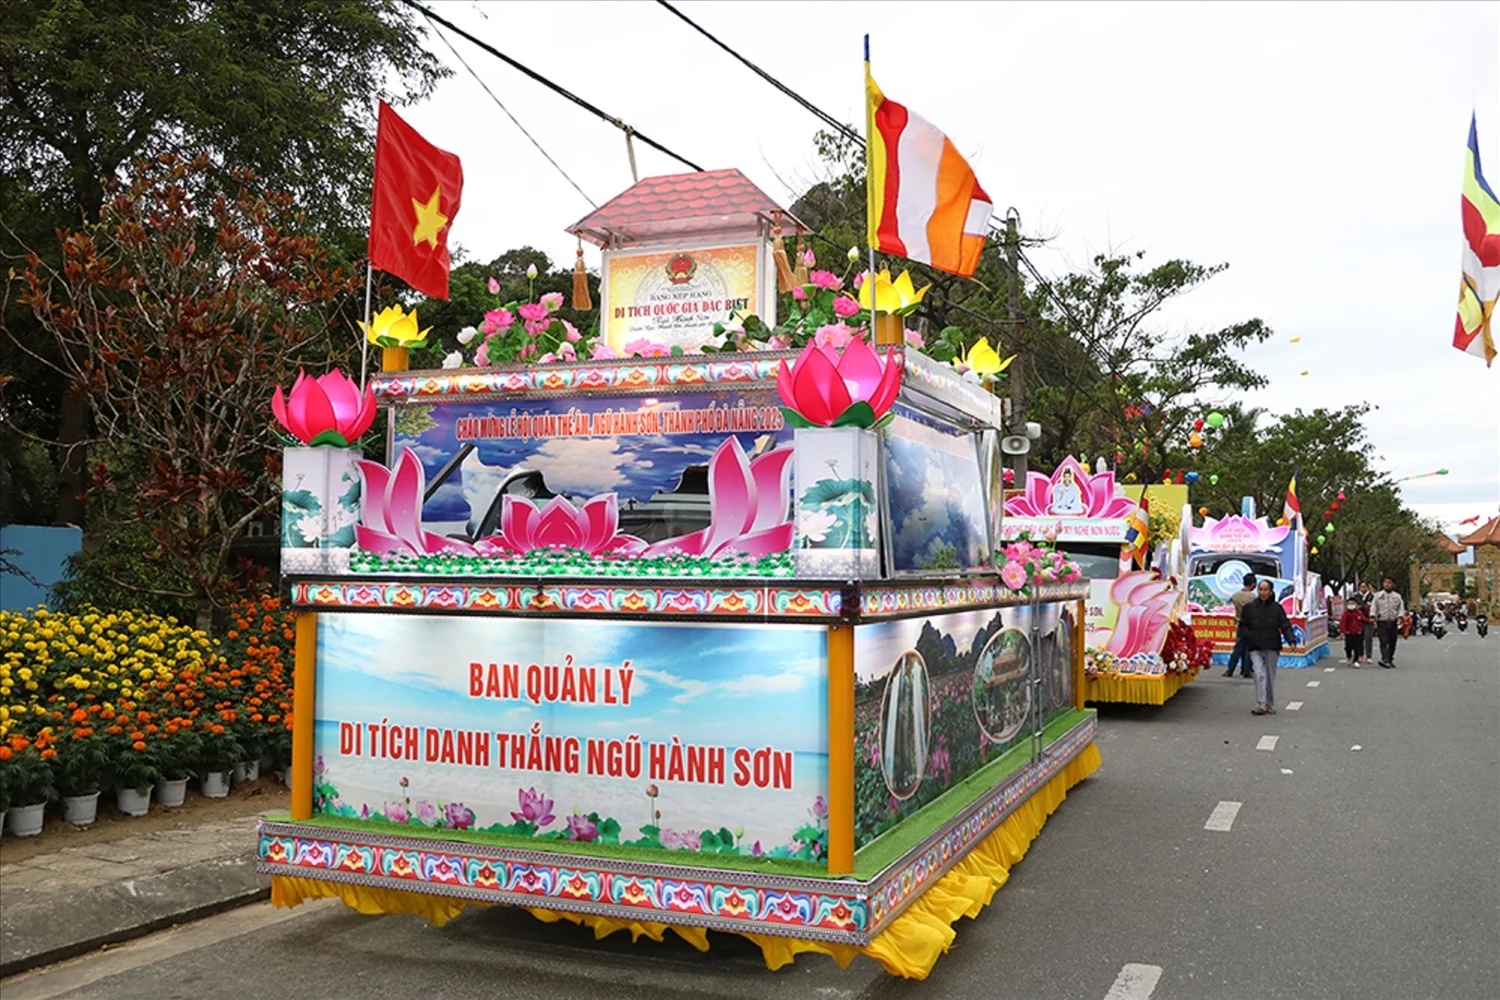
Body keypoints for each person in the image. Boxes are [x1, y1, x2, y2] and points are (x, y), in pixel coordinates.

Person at [1242, 579, 1297, 715]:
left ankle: (1269, 702)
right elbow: (1243, 626)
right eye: (1260, 589)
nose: (1262, 592)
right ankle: (1261, 703)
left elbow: (1285, 625)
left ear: (1271, 591)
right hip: (1255, 646)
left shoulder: (1277, 608)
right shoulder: (1249, 608)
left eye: (1265, 589)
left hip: (1272, 646)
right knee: (1259, 674)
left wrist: (1291, 640)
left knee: (1269, 676)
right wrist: (1248, 636)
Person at [1223, 573, 1257, 678]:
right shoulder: (1254, 597)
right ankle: (1246, 671)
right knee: (1248, 649)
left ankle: (1230, 670)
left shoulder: (1235, 596)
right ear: (1252, 584)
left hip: (1240, 623)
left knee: (1237, 648)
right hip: (1251, 625)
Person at [1369, 577, 1406, 668]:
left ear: (1393, 584)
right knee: (1383, 642)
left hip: (1393, 622)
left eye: (1389, 583)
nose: (1387, 584)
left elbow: (1401, 608)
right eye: (1385, 582)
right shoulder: (1378, 595)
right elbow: (1374, 607)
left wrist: (1400, 617)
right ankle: (1384, 659)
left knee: (1392, 642)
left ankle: (1390, 658)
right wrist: (1373, 616)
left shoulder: (1397, 596)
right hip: (1382, 622)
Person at [1339, 599, 1368, 666]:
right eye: (1349, 603)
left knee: (1357, 647)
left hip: (1358, 633)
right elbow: (1343, 623)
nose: (1351, 605)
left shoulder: (1359, 612)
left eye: (1353, 603)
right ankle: (1349, 656)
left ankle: (1355, 660)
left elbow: (1364, 619)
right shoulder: (1346, 613)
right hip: (1349, 633)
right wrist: (1342, 632)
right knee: (1348, 647)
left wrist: (1370, 621)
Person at [1355, 582, 1377, 664]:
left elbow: (1374, 607)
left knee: (1368, 638)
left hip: (1368, 619)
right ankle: (1360, 655)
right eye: (1361, 587)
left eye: (1364, 587)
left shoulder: (1372, 596)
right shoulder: (1355, 596)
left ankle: (1369, 656)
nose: (1363, 588)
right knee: (1359, 638)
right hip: (1358, 620)